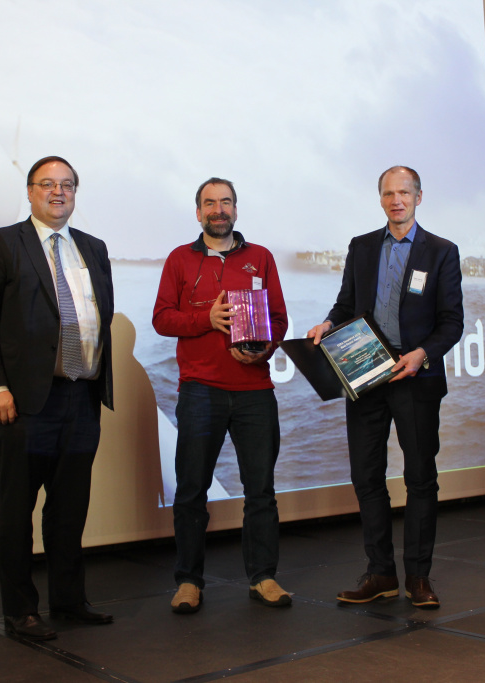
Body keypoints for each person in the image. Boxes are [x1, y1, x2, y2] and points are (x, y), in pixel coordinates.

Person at [0, 156, 114, 640]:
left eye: (67, 185)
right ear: (29, 192)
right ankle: (21, 611)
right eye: (47, 184)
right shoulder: (1, 243)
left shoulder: (93, 248)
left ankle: (69, 602)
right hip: (24, 402)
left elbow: (98, 320)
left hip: (81, 397)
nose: (58, 192)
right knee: (16, 510)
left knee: (69, 511)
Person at [307, 166, 463, 610]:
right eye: (389, 193)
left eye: (405, 193)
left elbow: (453, 322)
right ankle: (380, 574)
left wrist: (421, 355)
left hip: (416, 378)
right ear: (380, 199)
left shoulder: (442, 252)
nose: (397, 200)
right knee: (366, 476)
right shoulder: (361, 247)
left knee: (420, 477)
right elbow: (345, 303)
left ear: (418, 197)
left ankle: (418, 576)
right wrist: (330, 323)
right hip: (366, 374)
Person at [153, 177, 291, 614]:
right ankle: (189, 582)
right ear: (198, 213)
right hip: (200, 391)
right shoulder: (179, 259)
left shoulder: (261, 258)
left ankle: (264, 577)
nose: (218, 210)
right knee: (191, 490)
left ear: (236, 209)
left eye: (225, 202)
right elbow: (161, 319)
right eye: (209, 203)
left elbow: (279, 319)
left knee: (261, 491)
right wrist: (205, 319)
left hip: (255, 391)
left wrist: (264, 349)